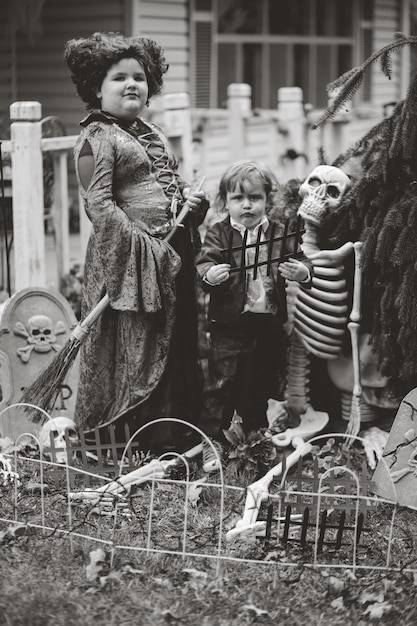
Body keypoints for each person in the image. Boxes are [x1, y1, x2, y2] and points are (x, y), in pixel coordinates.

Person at [64, 32, 208, 454]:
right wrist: (145, 248)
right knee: (136, 344)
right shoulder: (97, 138)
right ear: (96, 87)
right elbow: (101, 207)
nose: (132, 85)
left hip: (171, 254)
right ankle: (130, 436)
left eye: (140, 77)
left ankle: (176, 431)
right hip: (130, 262)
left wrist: (189, 201)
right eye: (119, 78)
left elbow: (167, 183)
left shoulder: (150, 131)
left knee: (176, 339)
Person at [196, 160, 312, 472]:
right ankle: (212, 440)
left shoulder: (279, 232)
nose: (247, 205)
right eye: (238, 199)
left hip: (267, 326)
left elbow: (301, 260)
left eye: (255, 198)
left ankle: (255, 438)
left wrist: (302, 272)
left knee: (258, 384)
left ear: (267, 200)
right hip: (229, 326)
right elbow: (203, 264)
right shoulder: (219, 235)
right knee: (222, 385)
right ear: (225, 202)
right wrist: (211, 275)